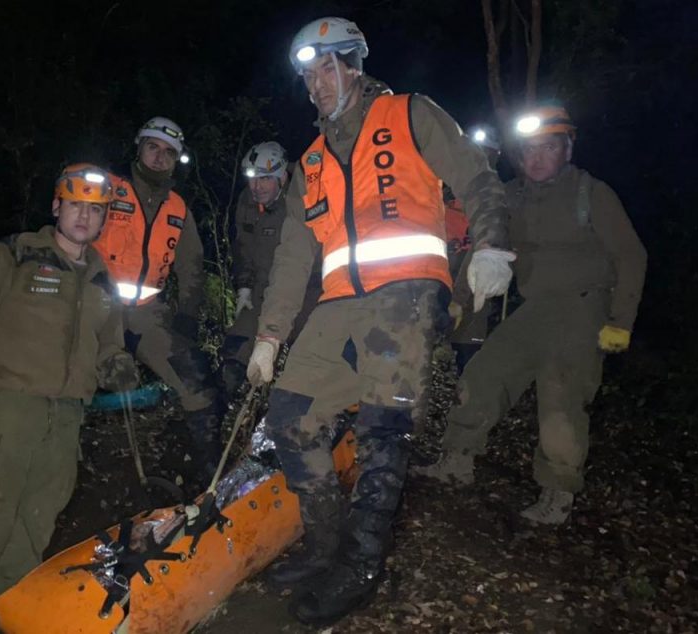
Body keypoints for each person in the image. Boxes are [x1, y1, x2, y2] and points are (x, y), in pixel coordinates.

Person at [244, 17, 513, 625]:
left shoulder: (409, 113)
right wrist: (268, 336)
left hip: (409, 296)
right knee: (290, 415)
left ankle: (361, 566)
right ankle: (325, 544)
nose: (318, 83)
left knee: (381, 431)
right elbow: (292, 257)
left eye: (328, 67)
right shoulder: (309, 162)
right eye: (309, 75)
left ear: (354, 65)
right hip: (338, 307)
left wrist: (491, 243)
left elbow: (475, 174)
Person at [0, 163, 138, 629]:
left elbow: (109, 340)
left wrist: (116, 364)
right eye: (76, 205)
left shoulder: (103, 275)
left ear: (105, 219)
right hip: (7, 407)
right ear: (56, 206)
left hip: (65, 418)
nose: (84, 217)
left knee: (34, 525)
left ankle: (0, 618)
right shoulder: (16, 253)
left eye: (95, 210)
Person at [422, 104, 648, 525]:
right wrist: (458, 300)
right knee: (484, 374)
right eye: (529, 150)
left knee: (561, 401)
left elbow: (630, 255)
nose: (537, 158)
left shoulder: (591, 193)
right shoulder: (512, 195)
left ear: (567, 149)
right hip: (535, 309)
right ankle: (456, 461)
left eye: (549, 148)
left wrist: (620, 321)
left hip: (582, 308)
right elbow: (483, 248)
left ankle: (557, 495)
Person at [93, 117, 221, 486]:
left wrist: (187, 317)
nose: (159, 157)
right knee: (64, 380)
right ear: (139, 147)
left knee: (195, 380)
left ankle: (207, 477)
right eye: (153, 147)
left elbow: (192, 265)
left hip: (147, 315)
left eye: (169, 152)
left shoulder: (178, 208)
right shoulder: (107, 190)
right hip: (96, 309)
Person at [218, 141, 321, 396]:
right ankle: (221, 409)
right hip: (261, 291)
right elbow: (242, 247)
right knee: (235, 350)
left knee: (311, 359)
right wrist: (243, 287)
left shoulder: (302, 199)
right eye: (252, 179)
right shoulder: (247, 202)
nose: (256, 187)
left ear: (282, 177)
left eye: (265, 179)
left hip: (306, 290)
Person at [446, 124, 503, 374]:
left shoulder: (498, 204)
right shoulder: (441, 197)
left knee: (468, 365)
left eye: (485, 154)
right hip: (435, 292)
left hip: (473, 297)